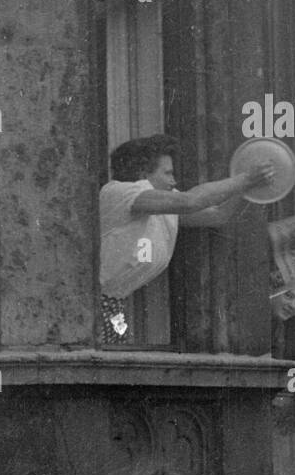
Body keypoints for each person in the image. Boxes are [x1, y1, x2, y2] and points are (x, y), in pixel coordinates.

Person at [100, 135, 274, 345]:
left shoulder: (160, 205)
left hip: (114, 304)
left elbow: (218, 215)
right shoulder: (119, 192)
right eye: (168, 173)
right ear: (142, 173)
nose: (173, 181)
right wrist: (245, 178)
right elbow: (190, 201)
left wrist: (246, 188)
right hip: (93, 300)